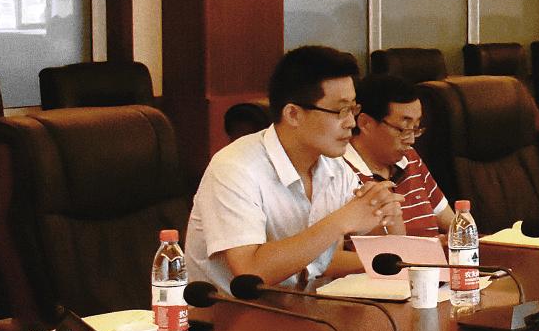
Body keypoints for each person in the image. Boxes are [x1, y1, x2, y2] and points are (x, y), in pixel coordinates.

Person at [184, 45, 402, 292]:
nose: (351, 122)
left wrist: (388, 212)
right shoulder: (235, 168)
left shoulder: (334, 166)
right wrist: (341, 221)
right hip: (230, 312)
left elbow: (342, 258)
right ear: (293, 114)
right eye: (340, 110)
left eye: (353, 109)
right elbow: (249, 272)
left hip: (304, 306)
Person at [346, 74, 452, 236]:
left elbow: (455, 224)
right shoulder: (340, 173)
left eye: (415, 128)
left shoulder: (409, 157)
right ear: (365, 123)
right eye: (403, 129)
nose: (411, 140)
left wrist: (450, 242)